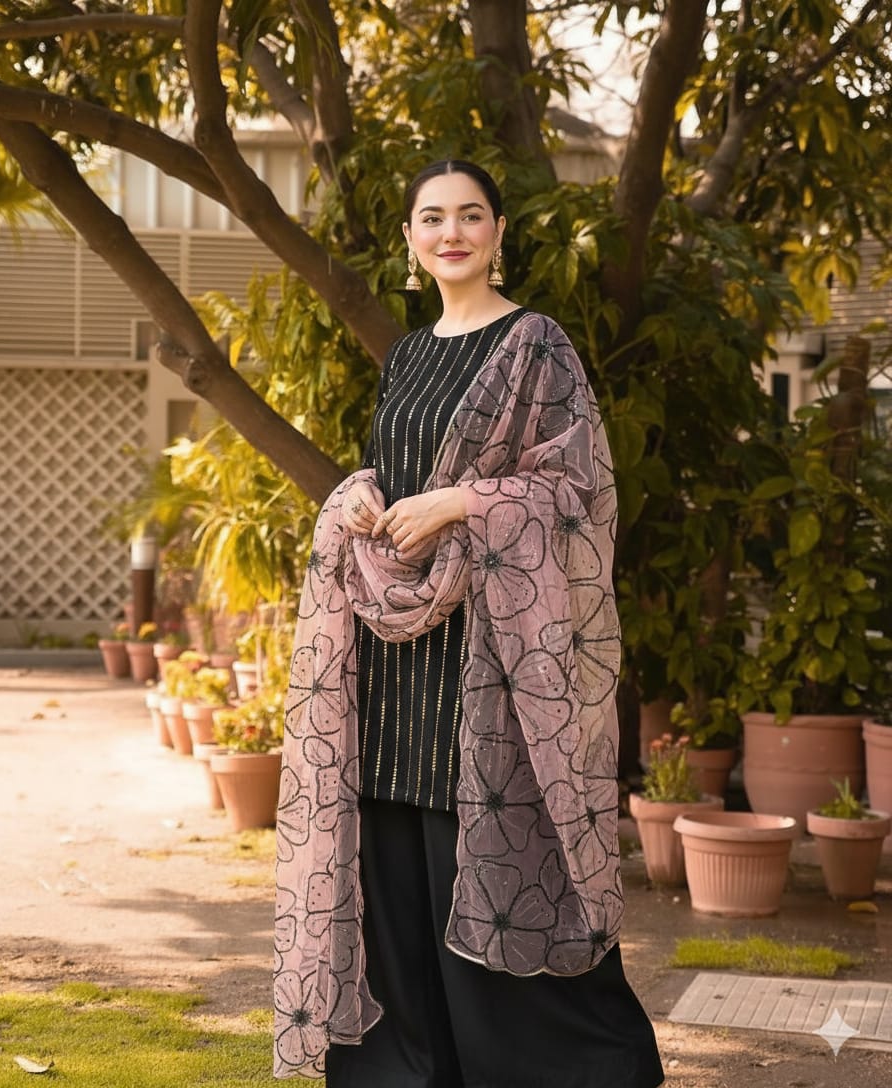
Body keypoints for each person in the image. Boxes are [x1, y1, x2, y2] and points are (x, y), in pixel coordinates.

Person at [273, 159, 664, 1087]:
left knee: (494, 877)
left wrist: (462, 502)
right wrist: (361, 500)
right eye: (432, 218)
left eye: (471, 215)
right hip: (390, 655)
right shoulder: (409, 355)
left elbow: (576, 491)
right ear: (411, 240)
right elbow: (388, 472)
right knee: (394, 887)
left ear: (497, 233)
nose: (451, 232)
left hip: (489, 667)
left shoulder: (536, 344)